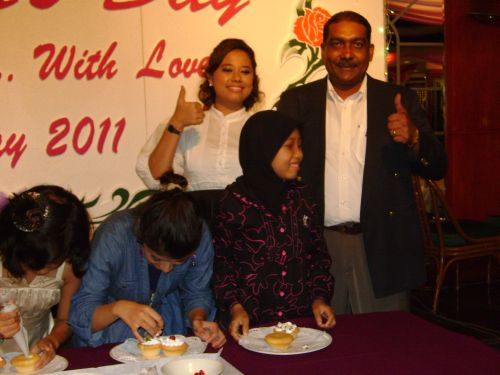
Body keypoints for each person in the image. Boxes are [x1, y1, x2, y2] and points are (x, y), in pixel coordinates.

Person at [277, 11, 447, 314]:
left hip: (382, 245)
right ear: (323, 50)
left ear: (369, 51)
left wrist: (415, 137)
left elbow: (437, 166)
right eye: (337, 44)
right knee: (318, 348)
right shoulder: (297, 102)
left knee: (385, 346)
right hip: (314, 246)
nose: (346, 54)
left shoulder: (398, 99)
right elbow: (274, 169)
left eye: (356, 45)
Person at [213, 111, 335, 342]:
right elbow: (222, 267)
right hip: (248, 327)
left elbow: (318, 258)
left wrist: (320, 299)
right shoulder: (233, 202)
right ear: (263, 149)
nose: (299, 154)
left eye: (300, 145)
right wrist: (234, 307)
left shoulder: (303, 197)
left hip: (300, 328)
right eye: (289, 146)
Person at [68, 175, 226, 349]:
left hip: (167, 332)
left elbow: (197, 293)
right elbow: (80, 314)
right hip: (108, 340)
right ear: (140, 234)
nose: (166, 269)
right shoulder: (115, 235)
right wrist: (117, 309)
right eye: (156, 258)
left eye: (179, 262)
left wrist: (197, 319)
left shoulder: (199, 234)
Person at [136, 38, 262, 191]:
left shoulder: (263, 128)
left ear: (253, 80)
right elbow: (156, 175)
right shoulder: (188, 124)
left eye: (245, 72)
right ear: (210, 77)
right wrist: (177, 123)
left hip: (246, 214)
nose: (236, 78)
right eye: (227, 70)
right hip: (193, 213)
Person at [0, 185, 91, 369]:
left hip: (33, 361)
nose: (41, 272)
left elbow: (65, 319)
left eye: (51, 265)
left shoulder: (68, 266)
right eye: (31, 263)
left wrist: (52, 341)